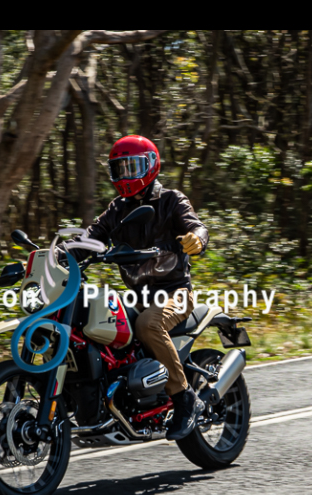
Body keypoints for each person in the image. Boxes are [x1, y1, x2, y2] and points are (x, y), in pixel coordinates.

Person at [59, 135, 209, 440]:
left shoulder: (171, 200)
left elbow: (196, 225)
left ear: (151, 165)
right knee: (91, 324)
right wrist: (54, 255)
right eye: (120, 168)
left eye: (133, 167)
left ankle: (184, 397)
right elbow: (89, 239)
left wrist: (197, 238)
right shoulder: (117, 209)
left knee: (147, 325)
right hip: (137, 295)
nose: (126, 175)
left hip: (175, 292)